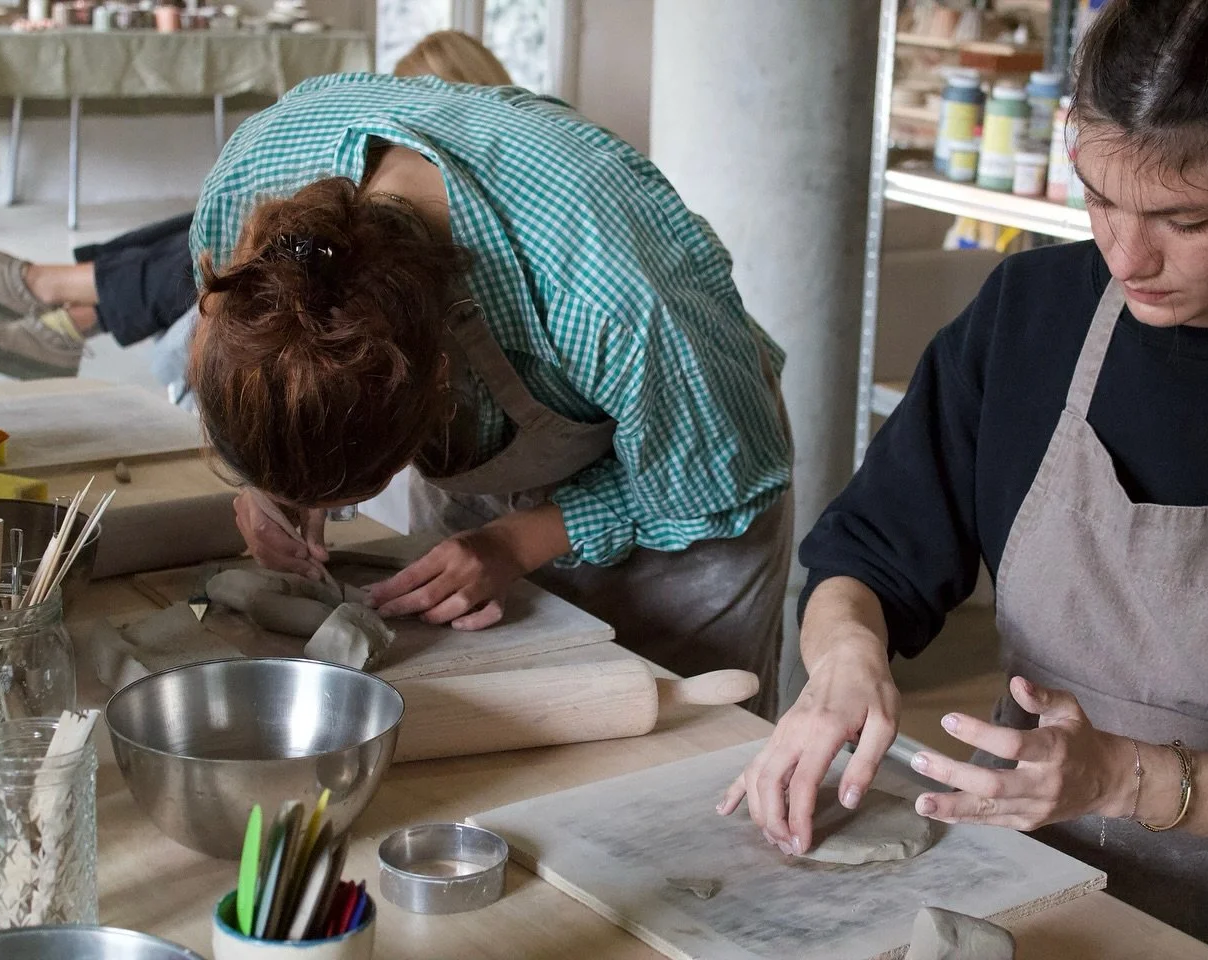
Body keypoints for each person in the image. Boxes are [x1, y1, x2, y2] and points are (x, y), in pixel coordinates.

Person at [721, 1, 1208, 956]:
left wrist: (1119, 778)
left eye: (1185, 219)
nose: (1127, 256)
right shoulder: (1029, 313)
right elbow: (870, 554)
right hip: (1030, 889)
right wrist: (842, 662)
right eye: (1099, 198)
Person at [186, 71, 794, 717]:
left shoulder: (612, 298)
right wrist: (278, 484)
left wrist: (515, 543)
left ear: (441, 383)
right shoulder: (246, 194)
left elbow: (721, 479)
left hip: (688, 457)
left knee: (679, 728)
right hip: (521, 416)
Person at [0, 29, 513, 382]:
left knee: (240, 243)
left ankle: (55, 293)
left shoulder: (478, 187)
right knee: (216, 222)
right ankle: (70, 310)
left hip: (399, 298)